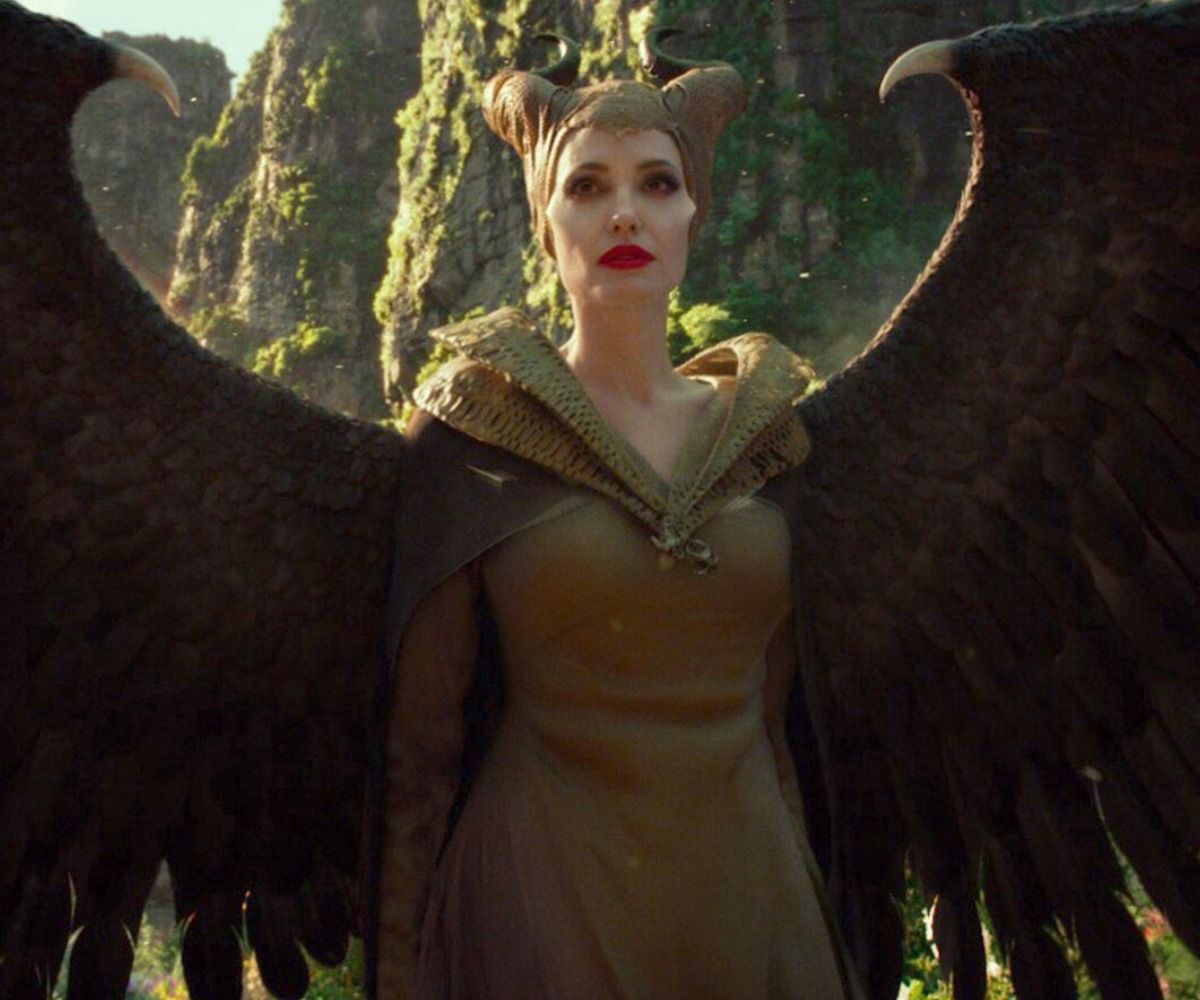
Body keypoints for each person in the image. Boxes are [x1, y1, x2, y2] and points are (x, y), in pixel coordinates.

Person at [369, 33, 861, 1000]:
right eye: (587, 186)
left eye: (657, 184)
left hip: (755, 900)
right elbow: (418, 754)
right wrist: (398, 977)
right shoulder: (474, 429)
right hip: (541, 905)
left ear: (692, 212)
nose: (625, 211)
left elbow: (776, 721)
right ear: (546, 218)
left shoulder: (768, 435)